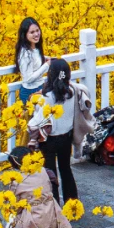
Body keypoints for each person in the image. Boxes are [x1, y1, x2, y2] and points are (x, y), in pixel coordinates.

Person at [26, 58, 91, 206]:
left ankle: (54, 204)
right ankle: (72, 202)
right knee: (65, 169)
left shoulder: (48, 97)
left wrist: (29, 124)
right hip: (66, 137)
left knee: (50, 173)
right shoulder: (72, 91)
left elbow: (38, 119)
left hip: (50, 140)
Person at [5, 145, 79, 228]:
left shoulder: (16, 180)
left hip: (32, 214)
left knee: (11, 218)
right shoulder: (43, 171)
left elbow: (15, 204)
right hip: (50, 209)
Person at [14, 17, 47, 103]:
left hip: (40, 87)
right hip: (30, 92)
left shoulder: (35, 48)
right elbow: (28, 78)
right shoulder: (25, 53)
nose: (36, 34)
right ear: (25, 35)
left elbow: (35, 58)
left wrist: (45, 59)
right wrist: (46, 66)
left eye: (37, 30)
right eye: (32, 32)